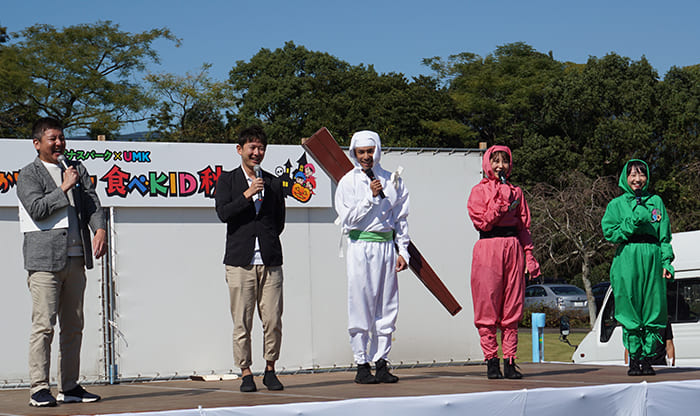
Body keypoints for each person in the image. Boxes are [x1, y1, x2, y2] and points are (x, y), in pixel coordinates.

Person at [17, 117, 107, 407]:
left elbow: (92, 203)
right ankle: (39, 388)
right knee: (44, 326)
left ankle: (69, 386)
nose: (59, 143)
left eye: (61, 138)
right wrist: (65, 186)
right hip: (44, 261)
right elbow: (37, 209)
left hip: (76, 257)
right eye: (52, 139)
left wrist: (100, 229)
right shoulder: (29, 174)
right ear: (37, 143)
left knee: (74, 326)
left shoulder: (76, 167)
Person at [334, 130, 410, 384]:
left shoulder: (393, 180)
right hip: (360, 246)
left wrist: (402, 250)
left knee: (387, 304)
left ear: (377, 150)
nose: (366, 156)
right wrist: (370, 197)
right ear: (354, 153)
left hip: (386, 247)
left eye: (370, 151)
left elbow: (401, 219)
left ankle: (382, 361)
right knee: (360, 303)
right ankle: (361, 363)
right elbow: (348, 219)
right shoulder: (347, 182)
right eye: (361, 152)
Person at [215, 126, 286, 392]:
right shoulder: (228, 180)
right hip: (239, 261)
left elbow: (279, 221)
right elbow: (223, 213)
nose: (257, 152)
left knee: (273, 320)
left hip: (270, 260)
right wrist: (247, 194)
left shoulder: (273, 182)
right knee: (242, 321)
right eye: (252, 148)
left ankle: (270, 369)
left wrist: (267, 240)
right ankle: (245, 372)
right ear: (240, 149)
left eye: (261, 148)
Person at [467, 145, 540, 379]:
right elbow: (482, 223)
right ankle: (491, 360)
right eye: (496, 161)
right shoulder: (478, 192)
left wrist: (529, 256)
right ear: (487, 164)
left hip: (513, 248)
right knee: (487, 304)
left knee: (512, 305)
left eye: (505, 161)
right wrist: (499, 201)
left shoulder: (517, 192)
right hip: (488, 248)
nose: (500, 166)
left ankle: (510, 361)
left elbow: (524, 226)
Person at [602, 159, 674, 376]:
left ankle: (648, 358)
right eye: (632, 174)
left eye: (641, 174)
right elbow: (610, 233)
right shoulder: (616, 205)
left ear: (647, 177)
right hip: (627, 257)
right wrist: (632, 222)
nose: (637, 179)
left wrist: (666, 261)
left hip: (653, 256)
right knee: (629, 306)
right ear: (625, 178)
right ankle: (634, 358)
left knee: (654, 307)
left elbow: (664, 236)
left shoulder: (656, 201)